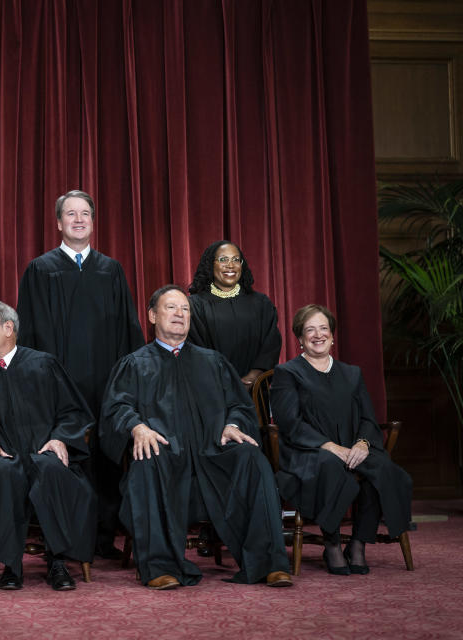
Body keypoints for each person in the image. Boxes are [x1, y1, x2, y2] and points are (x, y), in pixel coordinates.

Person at [100, 285, 292, 590]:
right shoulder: (135, 364)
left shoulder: (213, 362)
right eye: (171, 308)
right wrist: (137, 427)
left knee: (251, 458)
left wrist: (232, 424)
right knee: (147, 459)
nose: (180, 314)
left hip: (212, 454)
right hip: (166, 457)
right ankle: (160, 566)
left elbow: (239, 406)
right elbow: (116, 408)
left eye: (186, 309)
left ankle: (268, 563)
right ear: (152, 316)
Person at [16, 189, 144, 558]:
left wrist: (127, 383)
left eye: (84, 213)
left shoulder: (111, 270)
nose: (78, 219)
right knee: (64, 456)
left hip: (106, 384)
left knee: (104, 460)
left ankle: (103, 538)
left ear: (92, 221)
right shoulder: (40, 270)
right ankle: (62, 539)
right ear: (58, 222)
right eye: (70, 214)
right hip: (59, 387)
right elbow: (30, 334)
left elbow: (127, 330)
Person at [0, 302, 97, 591]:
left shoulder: (44, 364)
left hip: (42, 452)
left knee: (51, 468)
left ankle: (58, 561)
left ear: (8, 328)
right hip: (1, 457)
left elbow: (74, 412)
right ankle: (10, 565)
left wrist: (60, 437)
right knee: (4, 472)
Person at [270, 304, 413, 575]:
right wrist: (331, 446)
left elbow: (368, 419)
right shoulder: (288, 373)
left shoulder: (352, 374)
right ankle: (332, 543)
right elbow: (289, 422)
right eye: (309, 330)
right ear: (299, 338)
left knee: (381, 468)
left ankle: (358, 543)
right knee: (330, 466)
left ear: (333, 335)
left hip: (352, 447)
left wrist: (362, 444)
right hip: (308, 450)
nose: (318, 334)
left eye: (323, 328)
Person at [187, 240, 281, 391]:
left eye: (236, 260)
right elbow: (195, 348)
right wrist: (224, 382)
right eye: (223, 259)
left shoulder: (260, 303)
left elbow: (271, 344)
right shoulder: (195, 305)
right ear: (211, 264)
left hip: (254, 390)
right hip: (212, 390)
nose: (230, 265)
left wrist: (253, 376)